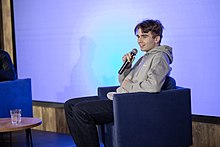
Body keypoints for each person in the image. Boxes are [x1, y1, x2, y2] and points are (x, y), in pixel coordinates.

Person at [64, 19, 173, 147]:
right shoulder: (145, 57)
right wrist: (127, 66)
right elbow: (123, 81)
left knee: (80, 111)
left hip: (129, 104)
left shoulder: (160, 57)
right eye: (138, 36)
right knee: (69, 105)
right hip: (121, 98)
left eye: (144, 36)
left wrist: (128, 86)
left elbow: (153, 86)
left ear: (157, 39)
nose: (139, 40)